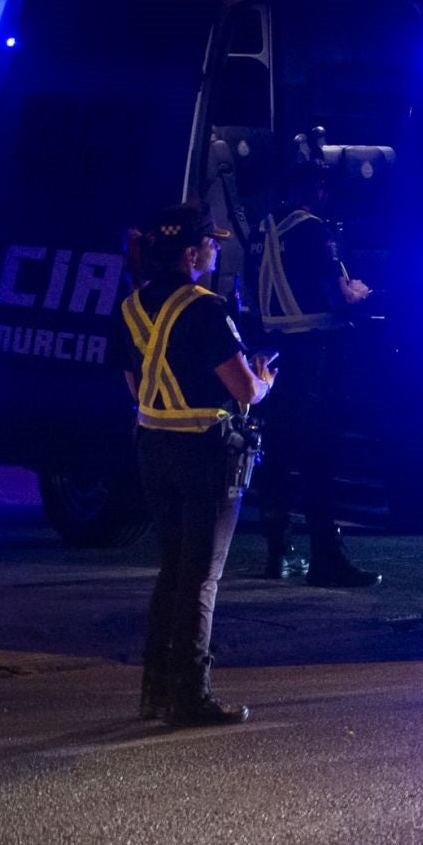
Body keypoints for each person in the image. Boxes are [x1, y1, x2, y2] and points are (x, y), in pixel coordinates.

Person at [121, 204, 276, 726]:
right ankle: (190, 695)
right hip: (206, 453)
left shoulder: (131, 307)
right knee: (201, 577)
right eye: (211, 244)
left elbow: (135, 386)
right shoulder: (207, 309)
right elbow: (243, 390)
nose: (215, 251)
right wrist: (263, 382)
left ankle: (155, 690)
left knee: (171, 570)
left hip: (153, 448)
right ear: (191, 253)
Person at [254, 129, 381, 588]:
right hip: (315, 357)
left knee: (278, 455)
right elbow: (336, 295)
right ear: (318, 189)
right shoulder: (313, 230)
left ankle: (277, 551)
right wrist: (359, 291)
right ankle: (328, 557)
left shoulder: (263, 230)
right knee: (318, 460)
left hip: (273, 356)